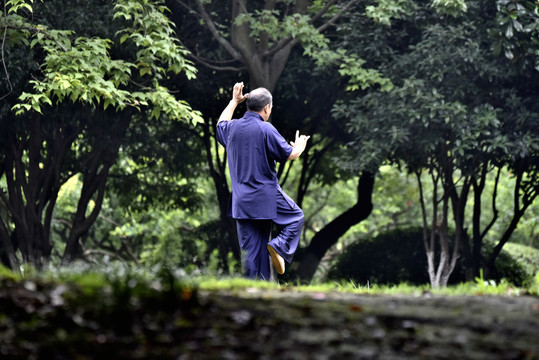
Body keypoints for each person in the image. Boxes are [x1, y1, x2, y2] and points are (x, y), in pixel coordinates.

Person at [216, 82, 310, 280]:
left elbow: (220, 124)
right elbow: (290, 154)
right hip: (265, 197)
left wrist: (233, 102)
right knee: (295, 218)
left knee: (252, 254)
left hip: (241, 202)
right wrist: (300, 147)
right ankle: (279, 245)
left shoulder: (232, 129)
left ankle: (255, 294)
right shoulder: (266, 129)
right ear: (267, 107)